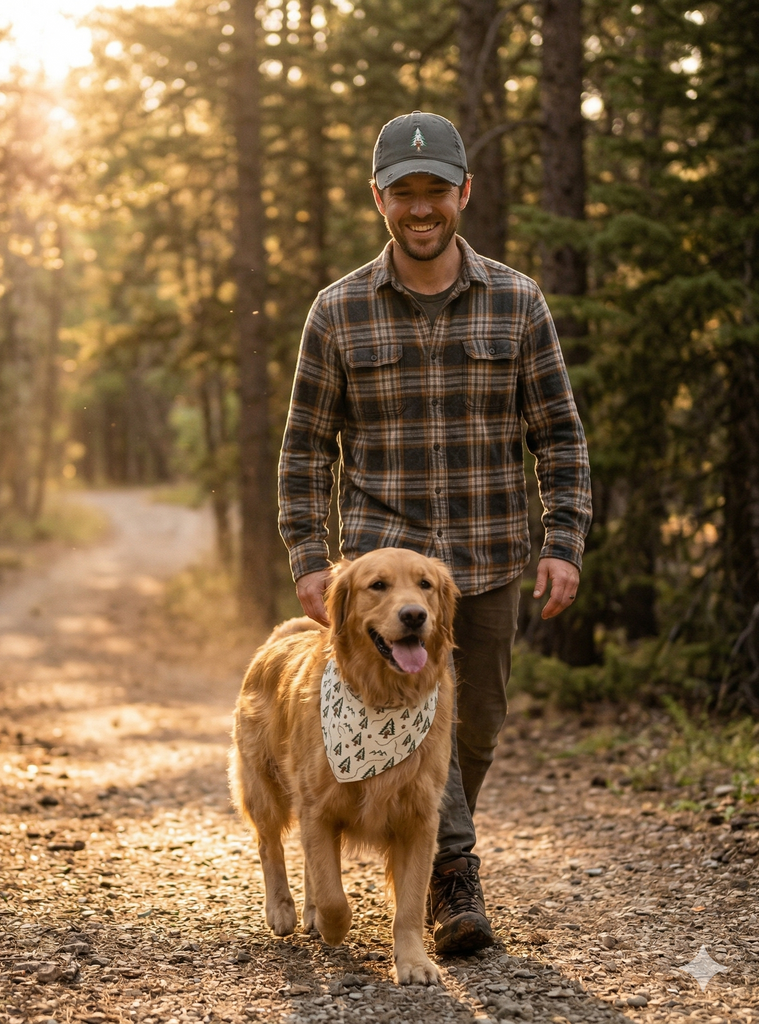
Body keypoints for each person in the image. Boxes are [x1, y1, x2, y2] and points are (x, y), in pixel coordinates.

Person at [277, 111, 592, 956]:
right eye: (404, 193)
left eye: (437, 192)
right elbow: (305, 448)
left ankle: (422, 855)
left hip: (485, 564)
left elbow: (558, 434)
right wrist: (313, 562)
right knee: (396, 724)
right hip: (379, 576)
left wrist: (563, 541)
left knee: (474, 730)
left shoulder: (518, 300)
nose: (422, 209)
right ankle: (454, 877)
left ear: (464, 192)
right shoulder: (337, 310)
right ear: (380, 197)